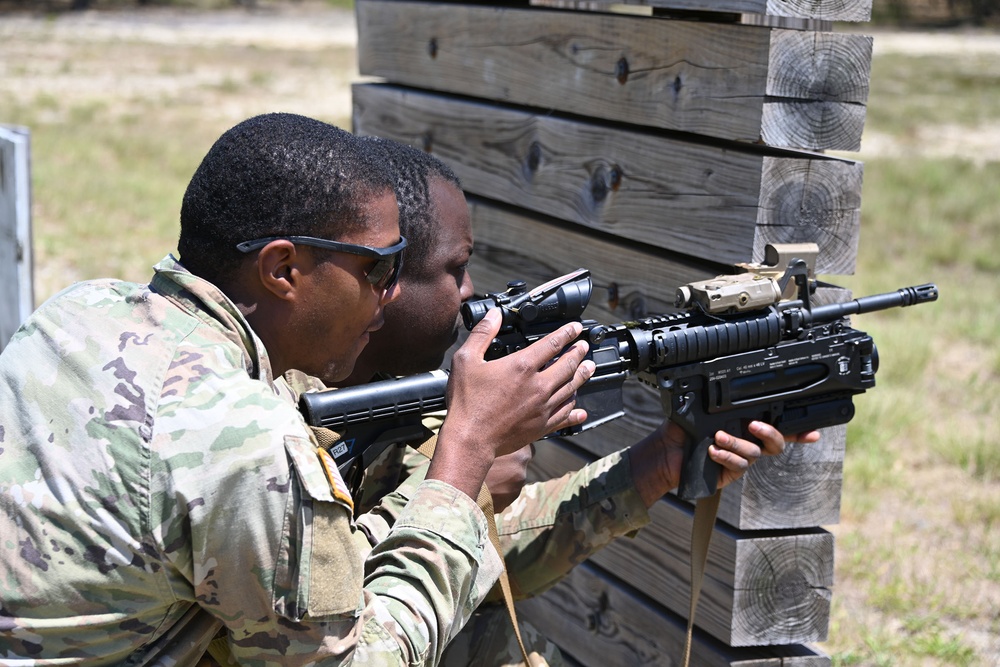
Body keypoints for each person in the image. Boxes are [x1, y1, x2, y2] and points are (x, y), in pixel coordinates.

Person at [0, 113, 597, 665]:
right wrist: (466, 454)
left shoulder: (80, 310)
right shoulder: (248, 442)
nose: (390, 294)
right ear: (283, 269)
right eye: (380, 268)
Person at [288, 136, 821, 666]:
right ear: (385, 280)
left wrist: (657, 465)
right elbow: (336, 633)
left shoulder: (385, 391)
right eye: (456, 268)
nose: (471, 291)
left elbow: (480, 559)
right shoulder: (273, 426)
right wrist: (458, 477)